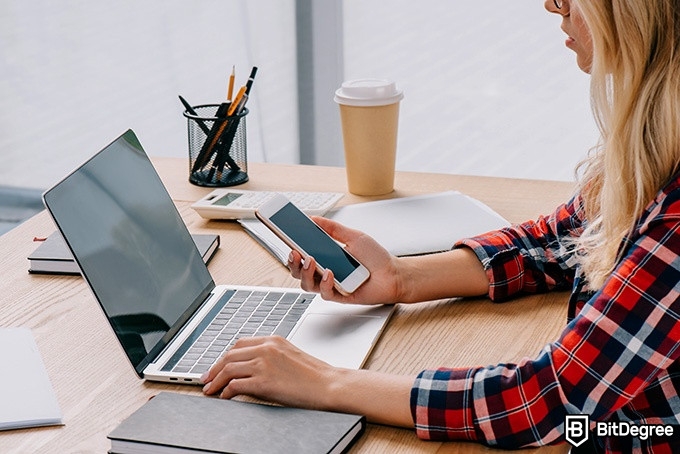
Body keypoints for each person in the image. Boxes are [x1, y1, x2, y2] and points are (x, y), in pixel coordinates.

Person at [202, 0, 680, 451]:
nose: (550, 6)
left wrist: (327, 382)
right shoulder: (656, 145)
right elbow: (560, 238)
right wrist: (402, 278)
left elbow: (546, 400)